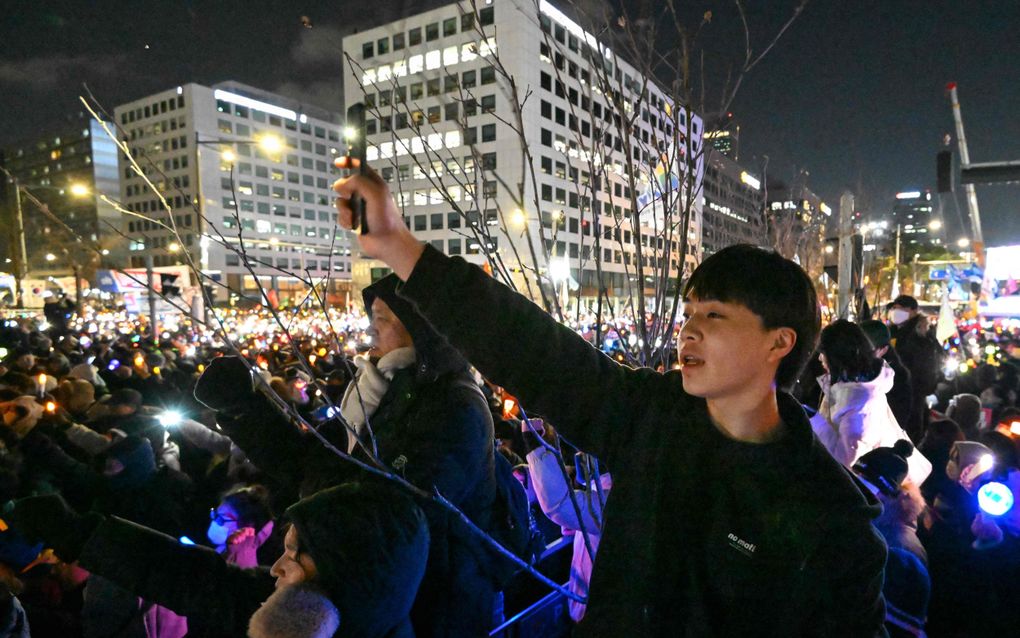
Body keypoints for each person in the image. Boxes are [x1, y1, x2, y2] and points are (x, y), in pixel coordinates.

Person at [333, 158, 889, 635]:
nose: (688, 331)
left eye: (714, 315)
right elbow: (534, 350)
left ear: (779, 342)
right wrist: (398, 246)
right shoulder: (651, 417)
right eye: (689, 313)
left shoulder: (831, 520)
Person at [195, 274, 501, 637]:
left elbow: (390, 517)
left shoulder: (454, 407)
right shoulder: (374, 392)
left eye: (383, 318)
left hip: (432, 607)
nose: (371, 330)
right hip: (369, 597)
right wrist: (243, 408)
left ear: (424, 328)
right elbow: (309, 462)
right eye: (372, 317)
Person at [7, 480, 430, 638]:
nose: (277, 568)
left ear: (347, 569)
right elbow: (190, 578)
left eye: (294, 556)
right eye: (281, 550)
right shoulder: (294, 612)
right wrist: (79, 533)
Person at [810, 320, 931, 487]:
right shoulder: (847, 386)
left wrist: (815, 422)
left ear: (839, 356)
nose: (820, 358)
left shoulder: (861, 403)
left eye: (824, 353)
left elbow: (844, 461)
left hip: (856, 488)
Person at [523, 418, 610, 623]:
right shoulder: (602, 490)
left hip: (597, 614)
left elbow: (559, 505)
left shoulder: (614, 498)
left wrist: (536, 447)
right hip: (586, 606)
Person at [887, 295, 944, 442]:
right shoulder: (892, 331)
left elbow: (924, 366)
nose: (895, 311)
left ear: (913, 311)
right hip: (891, 390)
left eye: (901, 308)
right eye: (894, 308)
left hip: (913, 392)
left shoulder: (920, 334)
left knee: (909, 432)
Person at [860, 319, 913, 431]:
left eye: (867, 349)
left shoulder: (897, 377)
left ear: (883, 350)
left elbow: (898, 417)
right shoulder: (850, 367)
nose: (860, 353)